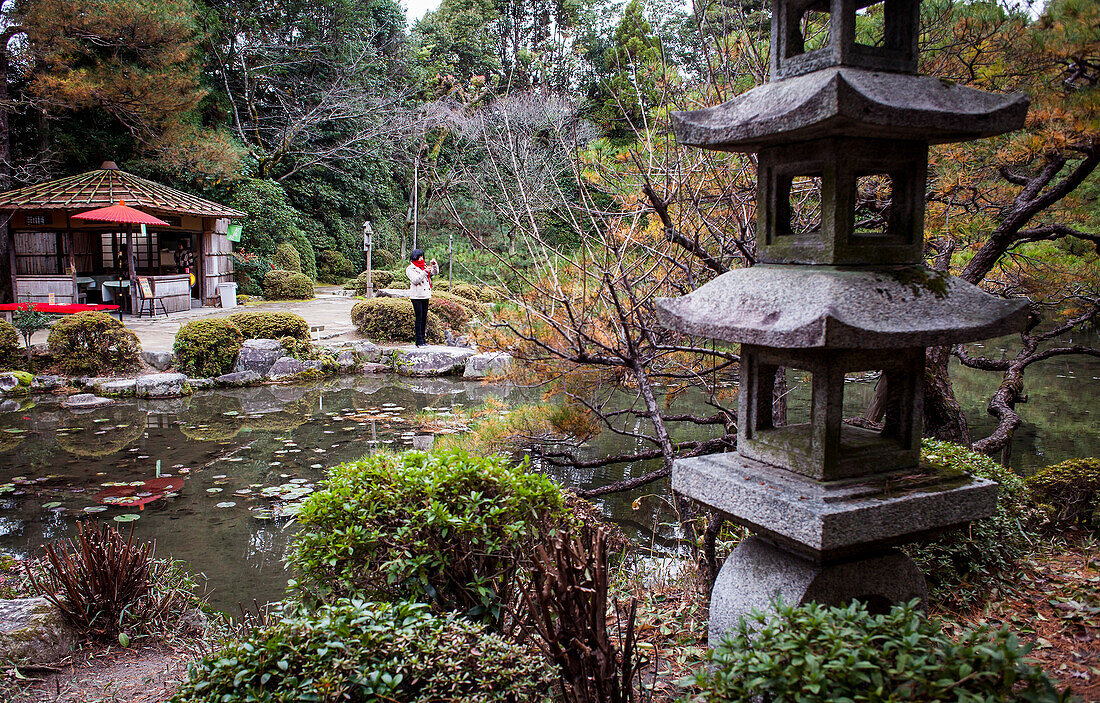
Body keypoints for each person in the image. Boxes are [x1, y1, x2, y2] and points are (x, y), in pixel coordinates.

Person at [406, 249, 438, 346]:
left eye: (422, 257)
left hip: (425, 295)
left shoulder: (424, 266)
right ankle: (418, 340)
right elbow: (415, 280)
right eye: (419, 257)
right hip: (416, 296)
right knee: (419, 318)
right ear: (414, 258)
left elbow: (434, 273)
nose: (421, 259)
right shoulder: (410, 269)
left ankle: (423, 339)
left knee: (424, 318)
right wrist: (424, 272)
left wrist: (434, 265)